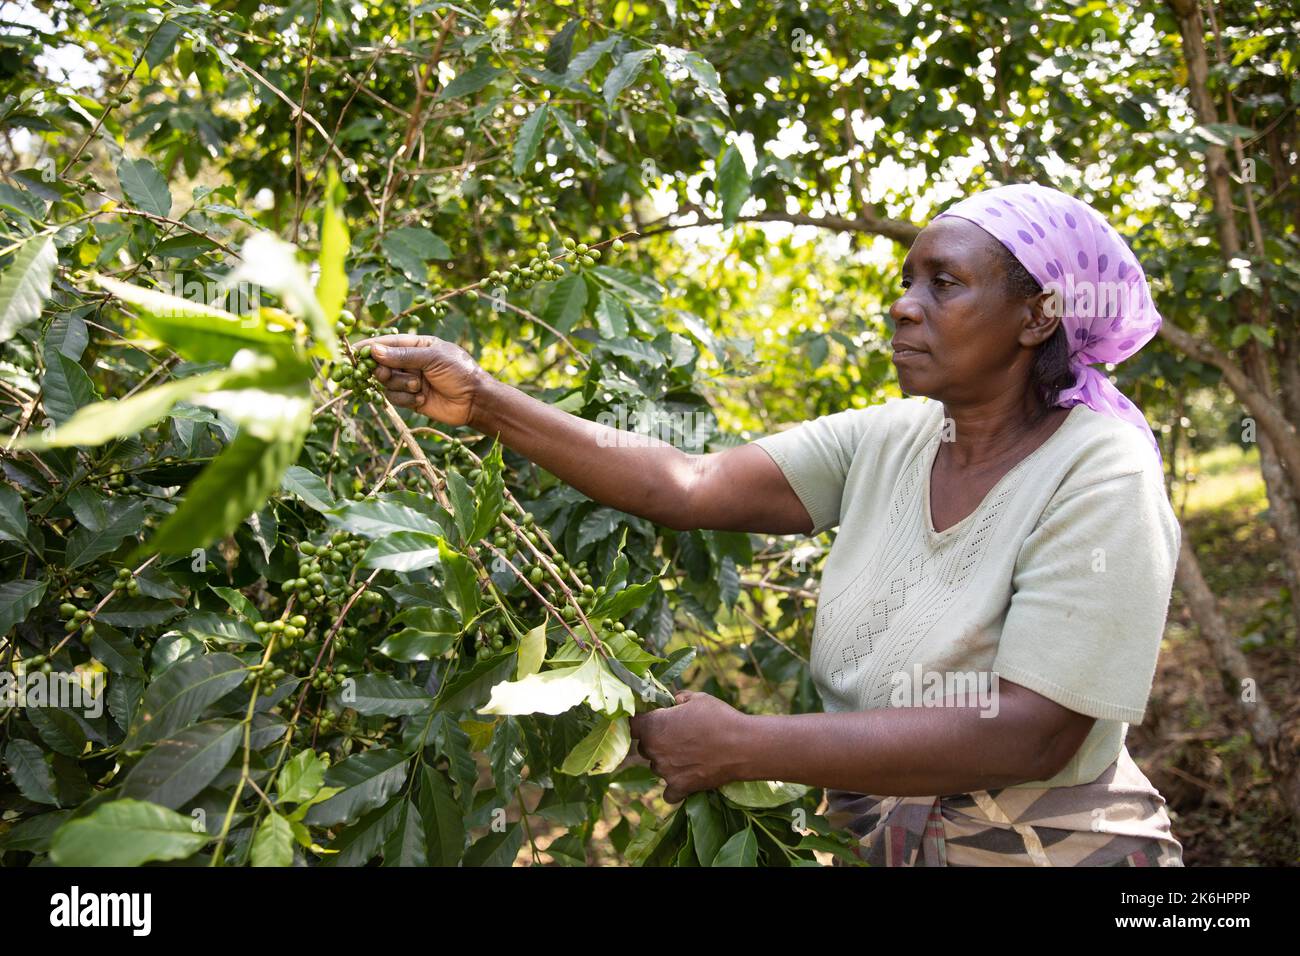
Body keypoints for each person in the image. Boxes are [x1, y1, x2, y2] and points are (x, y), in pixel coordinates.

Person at [358, 182, 1184, 867]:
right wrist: (484, 401)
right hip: (875, 840)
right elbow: (687, 480)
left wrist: (746, 745)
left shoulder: (1099, 468)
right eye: (906, 281)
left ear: (1038, 316)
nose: (902, 308)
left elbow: (1031, 733)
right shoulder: (891, 437)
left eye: (944, 283)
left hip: (1055, 847)